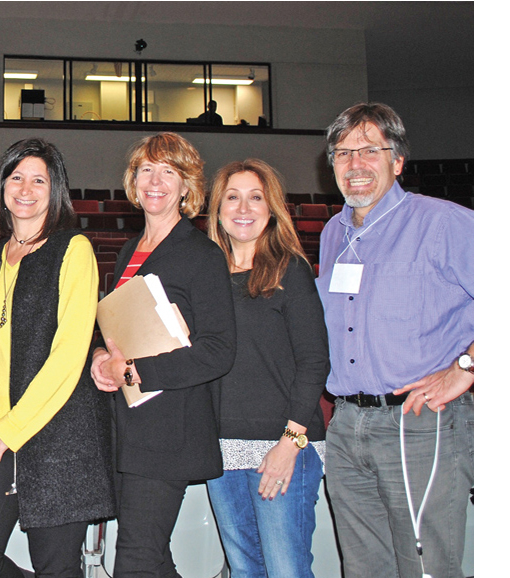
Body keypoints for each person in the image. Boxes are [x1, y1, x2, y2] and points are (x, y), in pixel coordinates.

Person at [0, 139, 115, 578]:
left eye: (38, 179)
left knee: (56, 567)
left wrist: (10, 428)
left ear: (54, 189)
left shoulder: (72, 249)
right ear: (1, 187)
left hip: (58, 435)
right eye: (15, 177)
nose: (25, 188)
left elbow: (69, 354)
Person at [316, 103, 473, 578]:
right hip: (346, 427)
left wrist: (467, 368)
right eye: (343, 153)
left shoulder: (444, 222)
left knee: (426, 568)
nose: (355, 164)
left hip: (417, 423)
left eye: (369, 151)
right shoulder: (332, 232)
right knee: (363, 569)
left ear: (398, 160)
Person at [88, 132, 236, 578]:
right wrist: (99, 356)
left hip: (170, 432)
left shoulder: (202, 255)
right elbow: (112, 326)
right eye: (146, 170)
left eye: (169, 172)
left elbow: (218, 351)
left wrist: (130, 372)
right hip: (130, 429)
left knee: (133, 560)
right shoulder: (129, 252)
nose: (155, 181)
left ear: (187, 185)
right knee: (151, 558)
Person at [203, 159, 330, 578]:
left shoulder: (289, 270)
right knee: (243, 570)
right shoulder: (205, 275)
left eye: (255, 197)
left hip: (280, 445)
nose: (243, 208)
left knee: (286, 570)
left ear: (271, 208)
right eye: (232, 197)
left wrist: (290, 443)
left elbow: (314, 360)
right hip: (221, 446)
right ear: (218, 210)